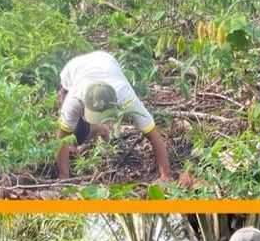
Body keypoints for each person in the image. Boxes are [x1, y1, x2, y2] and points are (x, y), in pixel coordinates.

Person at [55, 50, 172, 182]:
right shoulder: (74, 99)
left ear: (114, 105)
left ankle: (103, 131)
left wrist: (165, 175)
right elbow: (62, 139)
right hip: (74, 69)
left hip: (107, 61)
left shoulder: (125, 97)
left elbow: (153, 134)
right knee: (75, 131)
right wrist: (63, 179)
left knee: (79, 130)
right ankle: (95, 133)